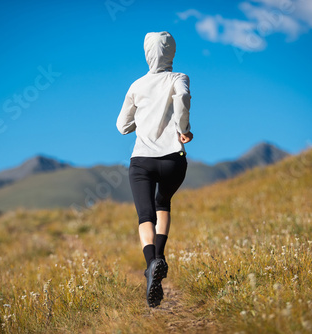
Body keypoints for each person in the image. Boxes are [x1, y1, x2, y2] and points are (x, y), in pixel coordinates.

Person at [116, 31, 193, 307]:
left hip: (142, 161)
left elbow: (122, 126)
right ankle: (159, 258)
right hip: (174, 158)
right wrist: (183, 129)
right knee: (163, 202)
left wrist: (142, 118)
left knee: (145, 214)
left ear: (147, 53)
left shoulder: (136, 85)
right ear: (172, 52)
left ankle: (151, 264)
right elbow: (183, 98)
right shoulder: (179, 78)